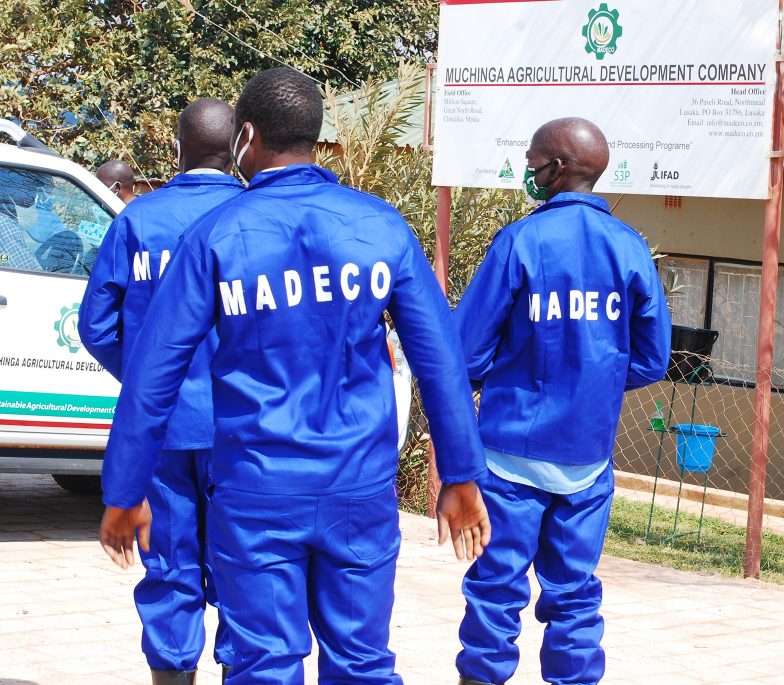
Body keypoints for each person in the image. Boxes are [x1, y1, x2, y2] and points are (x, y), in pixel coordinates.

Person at [96, 67, 491, 684]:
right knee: (361, 662)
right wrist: (461, 474)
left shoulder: (215, 235)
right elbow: (441, 361)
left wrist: (124, 490)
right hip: (358, 487)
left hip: (255, 490)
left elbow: (153, 375)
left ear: (246, 136)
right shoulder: (380, 226)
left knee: (262, 662)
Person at [453, 117, 671, 685]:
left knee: (495, 588)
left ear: (557, 167)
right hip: (587, 458)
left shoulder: (520, 241)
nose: (527, 169)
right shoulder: (630, 248)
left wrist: (514, 379)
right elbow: (652, 358)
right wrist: (590, 385)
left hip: (509, 456)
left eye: (532, 161)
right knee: (574, 593)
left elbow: (465, 352)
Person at [80, 98, 243, 685]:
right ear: (240, 148)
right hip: (244, 429)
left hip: (163, 427)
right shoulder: (255, 217)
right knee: (246, 570)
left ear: (177, 149)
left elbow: (97, 326)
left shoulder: (138, 220)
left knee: (170, 566)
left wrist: (149, 381)